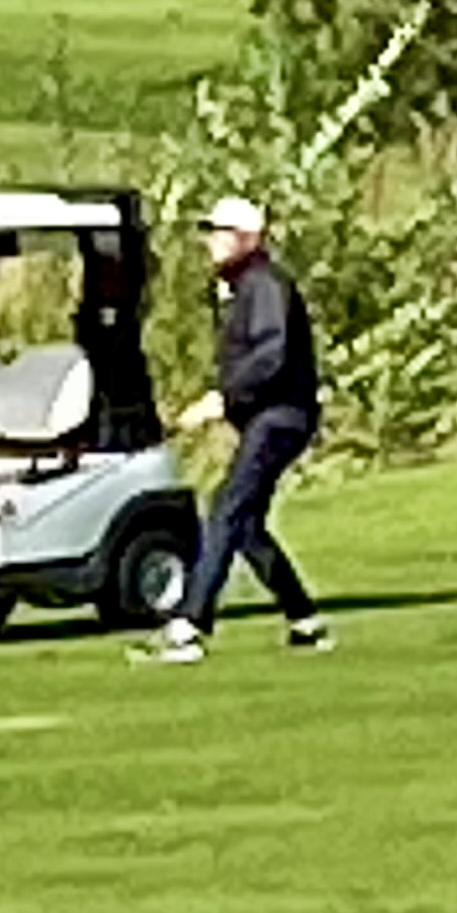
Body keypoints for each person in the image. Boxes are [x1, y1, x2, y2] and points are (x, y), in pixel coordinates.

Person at [139, 195, 332, 664]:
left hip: (280, 417)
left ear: (248, 239)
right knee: (245, 526)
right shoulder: (241, 287)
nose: (211, 241)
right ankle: (304, 619)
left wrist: (224, 398)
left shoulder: (265, 286)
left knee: (225, 509)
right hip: (268, 417)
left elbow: (272, 355)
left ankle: (189, 626)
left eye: (221, 232)